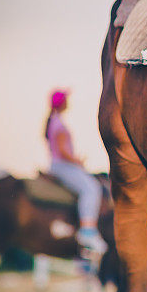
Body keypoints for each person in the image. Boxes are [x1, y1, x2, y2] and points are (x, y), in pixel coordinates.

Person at [44, 90, 107, 254]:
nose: (69, 102)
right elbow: (64, 153)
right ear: (61, 103)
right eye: (66, 99)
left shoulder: (53, 121)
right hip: (63, 166)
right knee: (91, 189)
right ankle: (88, 231)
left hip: (58, 164)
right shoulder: (59, 123)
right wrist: (77, 161)